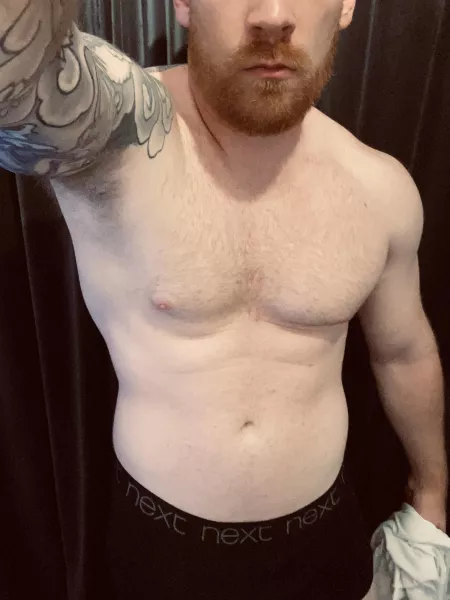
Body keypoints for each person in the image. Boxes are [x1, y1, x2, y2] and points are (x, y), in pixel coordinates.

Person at [0, 0, 447, 598]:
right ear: (184, 3)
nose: (272, 14)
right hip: (161, 549)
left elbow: (403, 353)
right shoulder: (117, 136)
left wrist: (432, 490)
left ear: (345, 6)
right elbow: (14, 75)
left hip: (326, 540)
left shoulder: (381, 187)